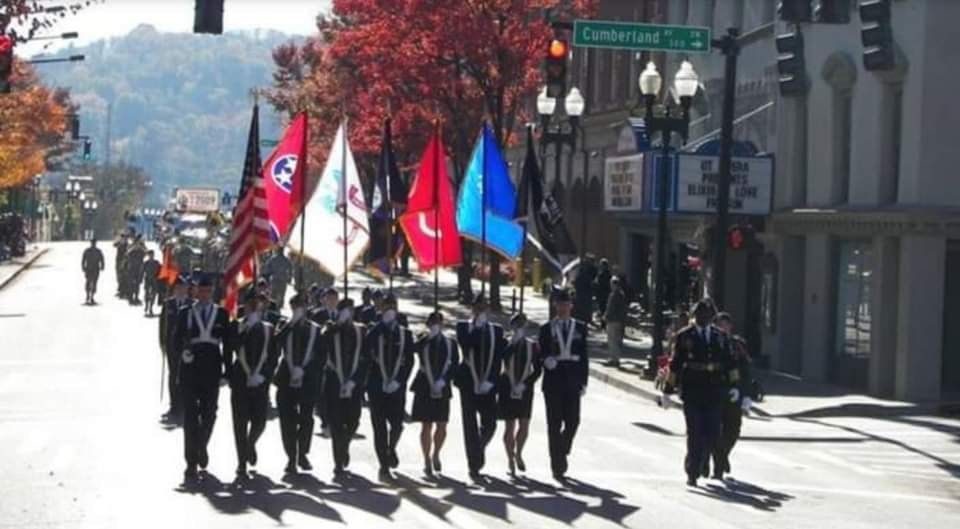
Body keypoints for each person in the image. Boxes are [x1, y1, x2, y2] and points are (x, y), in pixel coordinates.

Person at [662, 300, 738, 487]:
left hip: (714, 390)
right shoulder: (684, 336)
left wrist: (735, 386)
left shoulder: (720, 337)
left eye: (707, 315)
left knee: (713, 432)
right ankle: (692, 472)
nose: (703, 318)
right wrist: (667, 390)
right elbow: (675, 364)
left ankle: (718, 464)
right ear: (695, 316)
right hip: (693, 390)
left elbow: (730, 363)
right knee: (694, 432)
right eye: (700, 314)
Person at [174, 274, 231, 482]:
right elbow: (176, 339)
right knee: (190, 417)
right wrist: (181, 354)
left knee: (209, 414)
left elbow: (228, 345)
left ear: (212, 292)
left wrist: (227, 372)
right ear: (195, 291)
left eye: (208, 290)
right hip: (190, 369)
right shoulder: (185, 313)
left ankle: (201, 446)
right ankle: (190, 462)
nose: (205, 294)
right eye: (201, 290)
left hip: (212, 369)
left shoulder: (221, 314)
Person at [537, 287, 589, 482]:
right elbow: (540, 352)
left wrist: (584, 382)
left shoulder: (580, 328)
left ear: (571, 306)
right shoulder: (547, 329)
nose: (563, 308)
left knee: (573, 421)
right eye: (559, 305)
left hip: (573, 380)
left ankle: (562, 448)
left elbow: (584, 357)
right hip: (553, 381)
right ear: (555, 306)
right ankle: (557, 465)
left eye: (566, 305)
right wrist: (545, 360)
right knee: (554, 423)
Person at [226, 292, 279, 478]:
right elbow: (229, 347)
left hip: (260, 382)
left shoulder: (269, 328)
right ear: (245, 307)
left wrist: (266, 375)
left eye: (257, 306)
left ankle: (250, 444)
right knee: (239, 423)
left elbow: (274, 356)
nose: (254, 309)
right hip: (240, 379)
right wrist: (242, 331)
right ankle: (241, 462)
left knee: (260, 422)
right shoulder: (237, 325)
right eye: (250, 305)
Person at [455, 294, 505, 481]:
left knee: (490, 423)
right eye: (477, 309)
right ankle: (473, 464)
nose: (480, 311)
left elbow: (499, 357)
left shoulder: (497, 331)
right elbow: (466, 345)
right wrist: (476, 327)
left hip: (488, 383)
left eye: (483, 309)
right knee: (470, 425)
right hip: (468, 381)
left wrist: (491, 380)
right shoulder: (463, 327)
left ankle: (478, 448)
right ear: (472, 310)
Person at [365, 293, 414, 481]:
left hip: (396, 387)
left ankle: (391, 448)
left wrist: (400, 381)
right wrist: (380, 325)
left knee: (397, 425)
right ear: (381, 309)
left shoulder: (404, 333)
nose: (390, 310)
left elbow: (409, 361)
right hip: (377, 386)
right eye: (386, 307)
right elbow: (366, 352)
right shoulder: (374, 330)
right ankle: (383, 465)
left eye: (393, 307)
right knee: (379, 428)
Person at [275, 293, 324, 474]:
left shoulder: (315, 330)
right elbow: (275, 343)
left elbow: (321, 356)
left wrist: (306, 370)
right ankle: (291, 457)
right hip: (286, 379)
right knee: (287, 421)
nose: (298, 310)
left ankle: (302, 453)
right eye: (295, 307)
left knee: (306, 419)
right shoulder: (284, 326)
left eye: (301, 307)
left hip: (308, 380)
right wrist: (290, 325)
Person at [322, 298, 368, 477]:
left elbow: (365, 358)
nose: (348, 313)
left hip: (353, 384)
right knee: (336, 423)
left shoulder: (361, 330)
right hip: (334, 382)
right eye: (344, 310)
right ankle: (338, 462)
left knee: (353, 421)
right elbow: (322, 344)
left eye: (350, 310)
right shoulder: (330, 329)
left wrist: (355, 380)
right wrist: (337, 325)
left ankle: (345, 445)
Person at [410, 311, 459, 477]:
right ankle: (426, 459)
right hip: (424, 385)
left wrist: (444, 380)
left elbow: (454, 365)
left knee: (442, 424)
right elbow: (411, 349)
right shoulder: (424, 341)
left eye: (438, 323)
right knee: (426, 425)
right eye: (432, 323)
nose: (435, 326)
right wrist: (425, 338)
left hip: (442, 385)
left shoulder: (450, 343)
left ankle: (436, 453)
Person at [710, 312, 755, 480]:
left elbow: (746, 370)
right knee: (714, 430)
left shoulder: (737, 345)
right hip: (714, 392)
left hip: (734, 393)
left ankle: (722, 455)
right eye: (719, 324)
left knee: (733, 430)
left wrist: (746, 395)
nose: (723, 328)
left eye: (726, 325)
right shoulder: (709, 343)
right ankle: (718, 466)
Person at [497, 313, 541, 476]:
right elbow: (502, 358)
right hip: (507, 385)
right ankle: (510, 458)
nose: (519, 329)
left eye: (522, 326)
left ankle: (519, 452)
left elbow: (537, 369)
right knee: (509, 425)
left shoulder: (533, 345)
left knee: (524, 424)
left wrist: (526, 384)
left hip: (525, 386)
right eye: (516, 326)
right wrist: (513, 343)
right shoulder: (506, 343)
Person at [159, 274, 192, 422]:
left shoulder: (192, 305)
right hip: (172, 347)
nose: (180, 290)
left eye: (183, 288)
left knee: (187, 377)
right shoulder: (168, 304)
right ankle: (174, 407)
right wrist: (163, 344)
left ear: (187, 289)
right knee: (173, 377)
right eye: (178, 288)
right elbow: (162, 327)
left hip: (188, 348)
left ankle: (186, 406)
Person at [602, 276, 627, 368]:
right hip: (619, 320)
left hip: (612, 320)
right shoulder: (621, 294)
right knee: (616, 340)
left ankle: (613, 359)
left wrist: (605, 316)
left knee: (612, 340)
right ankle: (615, 358)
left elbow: (610, 308)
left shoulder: (613, 295)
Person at [81, 238, 105, 305]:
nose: (93, 244)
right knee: (90, 282)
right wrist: (83, 267)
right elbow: (83, 260)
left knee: (92, 282)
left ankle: (91, 296)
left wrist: (102, 266)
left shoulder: (97, 251)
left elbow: (102, 260)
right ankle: (88, 295)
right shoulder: (89, 251)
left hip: (93, 269)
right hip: (90, 269)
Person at [125, 235, 146, 305]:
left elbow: (146, 252)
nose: (137, 245)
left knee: (137, 284)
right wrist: (133, 248)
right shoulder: (131, 249)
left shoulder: (141, 250)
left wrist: (141, 247)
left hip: (139, 269)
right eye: (136, 243)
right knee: (131, 284)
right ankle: (130, 297)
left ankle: (136, 297)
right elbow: (127, 253)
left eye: (138, 243)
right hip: (131, 269)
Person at [142, 250, 161, 316]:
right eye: (150, 255)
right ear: (148, 256)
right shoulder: (146, 263)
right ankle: (146, 304)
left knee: (154, 294)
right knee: (147, 293)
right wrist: (140, 279)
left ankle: (151, 307)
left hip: (155, 280)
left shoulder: (157, 263)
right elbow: (142, 271)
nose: (151, 256)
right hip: (147, 280)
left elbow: (160, 271)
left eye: (152, 255)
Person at [593, 258, 612, 323]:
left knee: (603, 309)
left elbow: (599, 284)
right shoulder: (609, 274)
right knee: (603, 309)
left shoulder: (603, 275)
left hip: (602, 295)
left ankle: (604, 323)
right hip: (604, 295)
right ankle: (604, 323)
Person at [113, 232, 129, 297]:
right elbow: (114, 244)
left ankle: (125, 290)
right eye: (123, 238)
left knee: (125, 276)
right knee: (119, 276)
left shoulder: (128, 245)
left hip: (126, 263)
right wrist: (118, 239)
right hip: (119, 262)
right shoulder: (119, 244)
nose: (124, 239)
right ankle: (120, 290)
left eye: (125, 238)